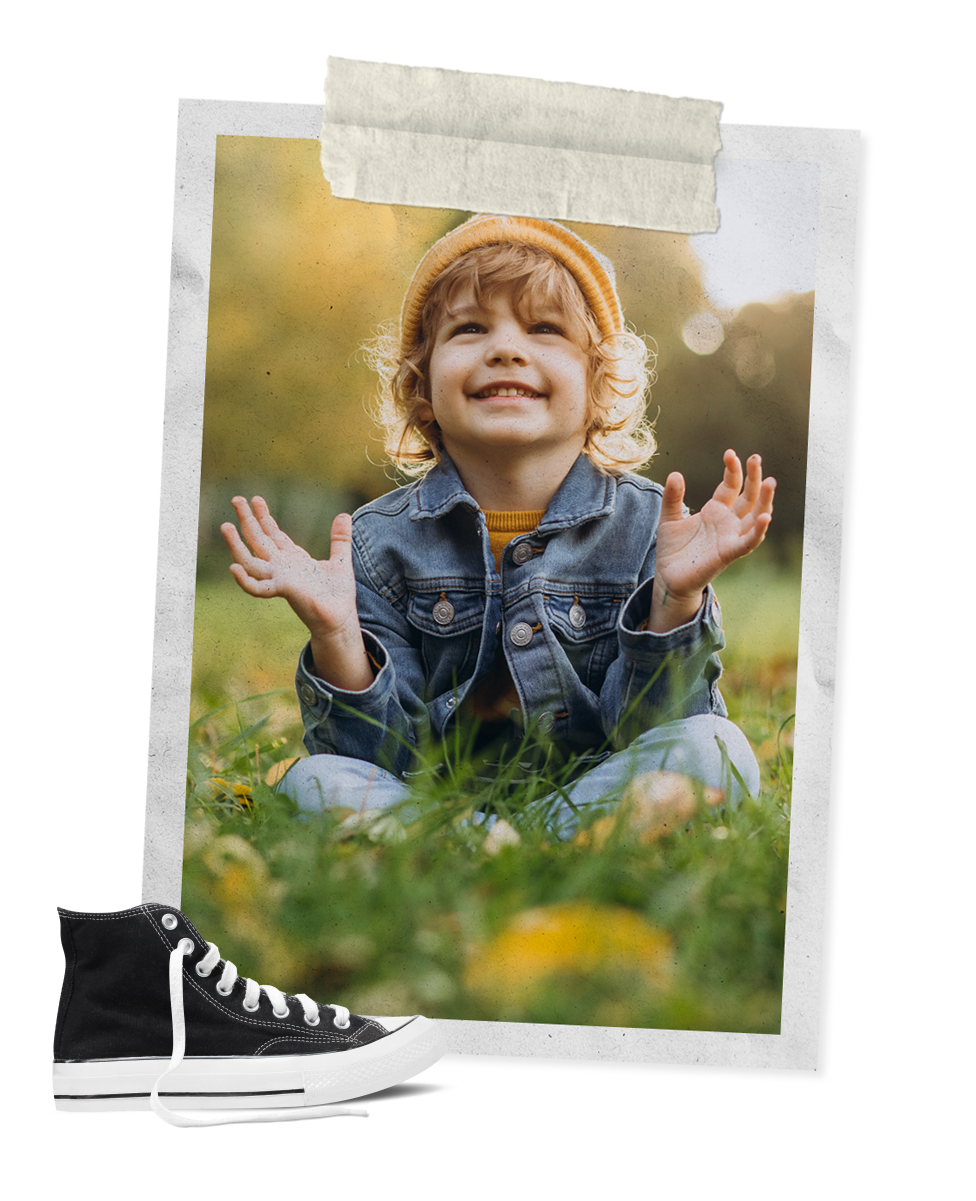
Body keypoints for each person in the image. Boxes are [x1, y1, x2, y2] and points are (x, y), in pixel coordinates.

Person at [220, 214, 776, 839]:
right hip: (432, 808)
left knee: (715, 749)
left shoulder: (650, 526)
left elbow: (652, 733)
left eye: (544, 328)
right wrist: (338, 637)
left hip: (596, 794)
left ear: (599, 387)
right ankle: (493, 843)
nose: (506, 348)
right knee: (314, 779)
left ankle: (502, 847)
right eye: (470, 328)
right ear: (421, 387)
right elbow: (377, 758)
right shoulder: (377, 545)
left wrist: (676, 603)